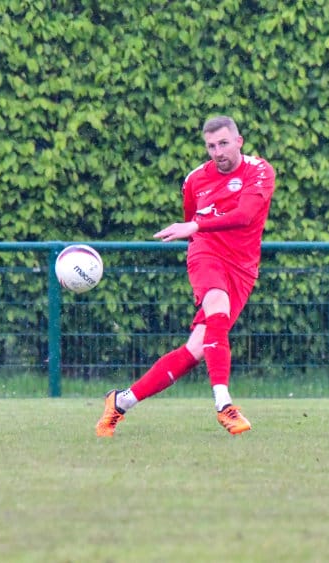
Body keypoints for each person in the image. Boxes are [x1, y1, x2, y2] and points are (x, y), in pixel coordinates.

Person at [96, 115, 276, 437]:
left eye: (223, 143)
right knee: (217, 307)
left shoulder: (259, 171)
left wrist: (195, 225)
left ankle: (120, 402)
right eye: (211, 146)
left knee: (196, 350)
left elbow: (245, 215)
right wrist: (196, 229)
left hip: (242, 267)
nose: (218, 152)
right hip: (206, 253)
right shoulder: (195, 180)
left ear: (239, 141)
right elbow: (192, 222)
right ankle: (224, 405)